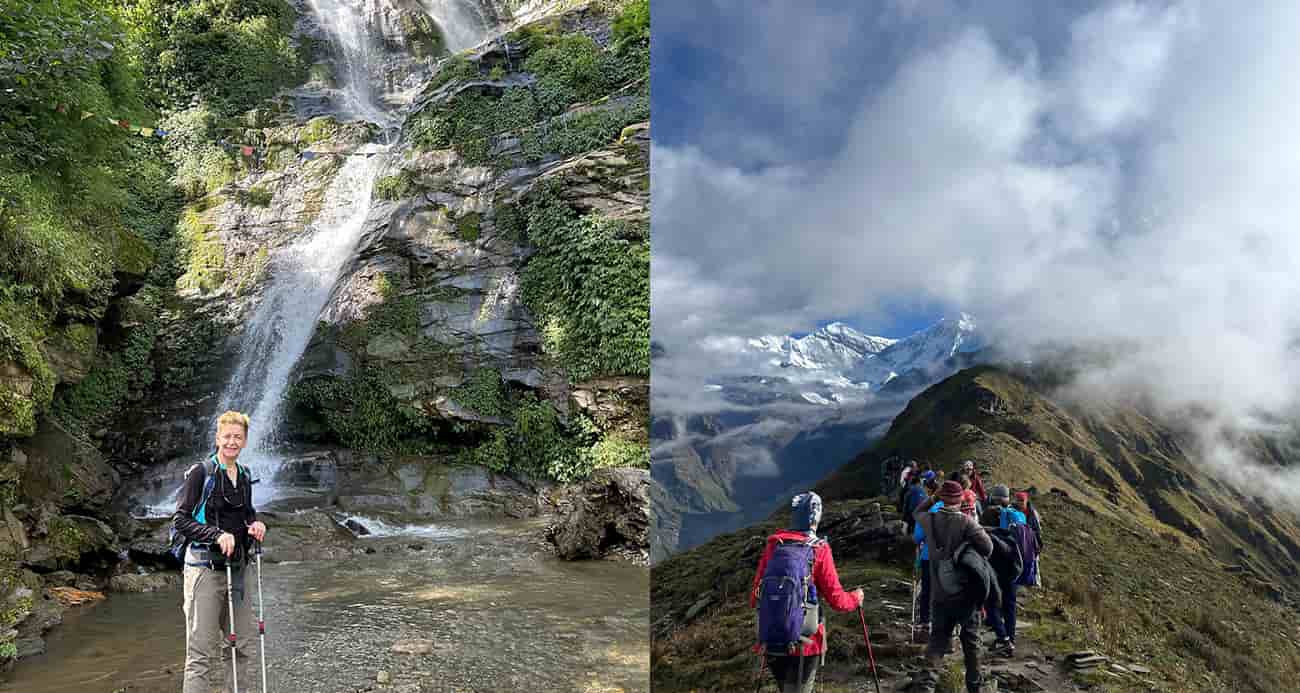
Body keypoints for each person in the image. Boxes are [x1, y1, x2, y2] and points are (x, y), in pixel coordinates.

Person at [173, 411, 267, 693]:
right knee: (200, 653)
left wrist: (256, 524)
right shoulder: (201, 473)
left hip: (238, 569)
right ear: (217, 438)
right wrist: (216, 535)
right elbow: (180, 519)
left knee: (242, 646)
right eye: (227, 436)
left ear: (245, 441)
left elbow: (246, 513)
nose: (232, 442)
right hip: (203, 569)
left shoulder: (245, 474)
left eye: (238, 437)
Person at [751, 492, 865, 693]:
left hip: (771, 639)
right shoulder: (820, 549)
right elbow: (837, 600)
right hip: (806, 643)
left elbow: (755, 596)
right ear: (816, 517)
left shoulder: (774, 545)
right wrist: (856, 597)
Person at [913, 481, 994, 693]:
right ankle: (974, 688)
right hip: (965, 595)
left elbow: (916, 511)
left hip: (940, 595)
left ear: (942, 498)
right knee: (971, 644)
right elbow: (988, 548)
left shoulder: (929, 519)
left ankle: (925, 687)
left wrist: (934, 498)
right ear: (960, 500)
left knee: (937, 642)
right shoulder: (967, 523)